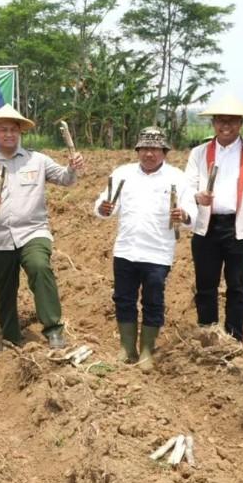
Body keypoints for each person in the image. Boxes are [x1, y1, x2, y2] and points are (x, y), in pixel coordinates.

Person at [0, 104, 84, 349]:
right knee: (4, 289)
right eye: (3, 130)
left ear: (20, 132)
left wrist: (72, 168)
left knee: (40, 267)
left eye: (14, 129)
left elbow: (65, 179)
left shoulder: (38, 160)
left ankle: (53, 329)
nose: (9, 134)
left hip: (33, 231)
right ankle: (11, 336)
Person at [94, 127, 195, 369]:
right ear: (138, 150)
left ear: (164, 152)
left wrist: (183, 214)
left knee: (153, 300)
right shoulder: (123, 173)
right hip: (126, 249)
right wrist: (103, 208)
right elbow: (104, 204)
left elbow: (192, 212)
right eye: (145, 149)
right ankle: (127, 347)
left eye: (155, 149)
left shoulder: (177, 178)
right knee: (123, 298)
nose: (149, 154)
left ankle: (147, 350)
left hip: (158, 252)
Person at [185, 95, 243, 342]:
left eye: (232, 121)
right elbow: (188, 185)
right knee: (206, 284)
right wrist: (198, 196)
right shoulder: (199, 153)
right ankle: (208, 335)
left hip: (239, 226)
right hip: (207, 225)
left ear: (241, 124)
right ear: (213, 123)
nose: (226, 126)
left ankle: (234, 339)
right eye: (221, 120)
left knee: (237, 285)